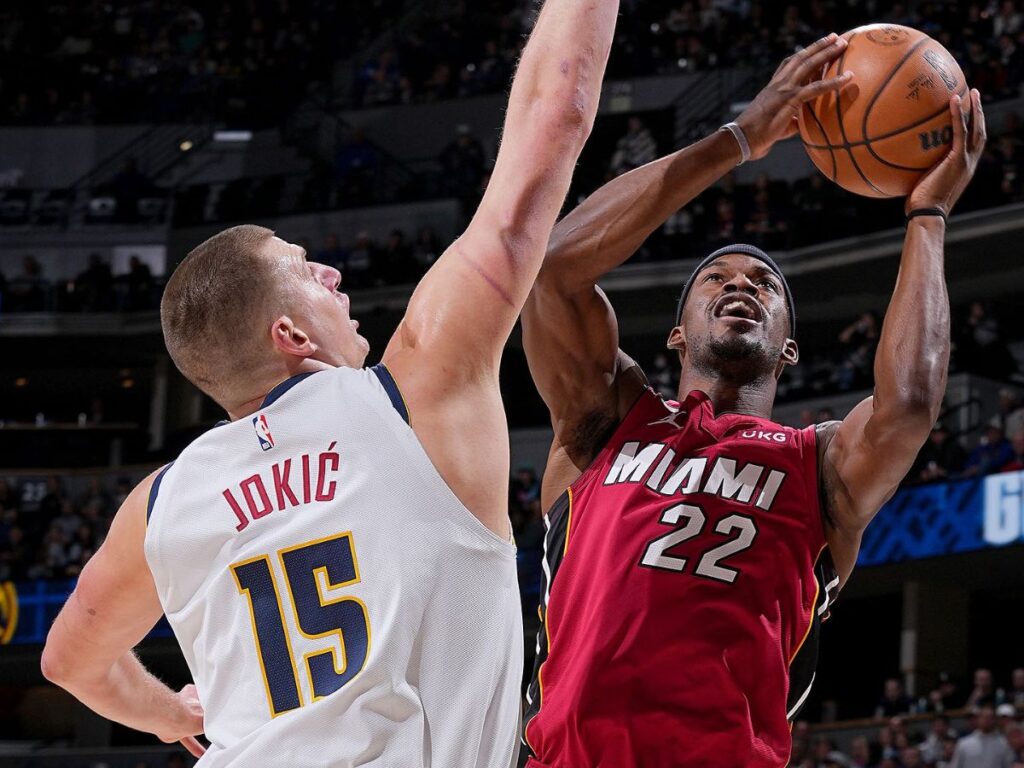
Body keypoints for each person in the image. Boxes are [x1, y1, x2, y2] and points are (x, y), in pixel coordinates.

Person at [38, 1, 620, 765]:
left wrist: (164, 713)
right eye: (306, 268)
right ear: (291, 335)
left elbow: (67, 660)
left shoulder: (160, 506)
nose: (333, 271)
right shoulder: (414, 393)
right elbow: (558, 113)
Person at [520, 29, 987, 767]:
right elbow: (554, 273)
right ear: (676, 335)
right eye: (717, 277)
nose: (742, 284)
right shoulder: (607, 420)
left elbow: (909, 406)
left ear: (789, 347)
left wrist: (927, 220)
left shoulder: (820, 466)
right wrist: (740, 138)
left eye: (766, 285)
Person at [951, 704, 1015, 768]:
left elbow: (1008, 765)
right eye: (984, 717)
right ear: (978, 719)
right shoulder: (964, 744)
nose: (987, 720)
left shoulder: (1004, 743)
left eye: (990, 717)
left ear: (995, 720)